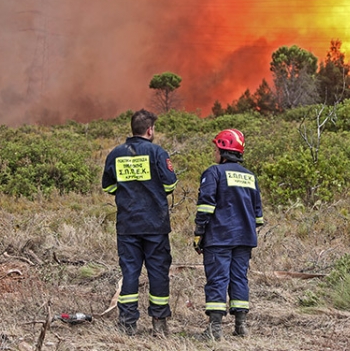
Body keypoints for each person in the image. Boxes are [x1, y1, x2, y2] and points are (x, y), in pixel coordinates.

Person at [101, 109, 178, 336]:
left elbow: (108, 186)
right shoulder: (157, 153)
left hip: (128, 225)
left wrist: (127, 193)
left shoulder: (115, 154)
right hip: (155, 225)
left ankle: (127, 324)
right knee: (158, 273)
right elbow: (170, 185)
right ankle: (159, 323)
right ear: (150, 130)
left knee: (130, 273)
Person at [193, 128, 264, 340]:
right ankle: (241, 326)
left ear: (223, 149)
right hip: (244, 239)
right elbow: (258, 216)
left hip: (220, 237)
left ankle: (215, 329)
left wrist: (199, 233)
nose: (214, 152)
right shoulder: (250, 176)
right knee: (239, 278)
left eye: (216, 148)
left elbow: (205, 206)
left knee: (217, 279)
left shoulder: (213, 173)